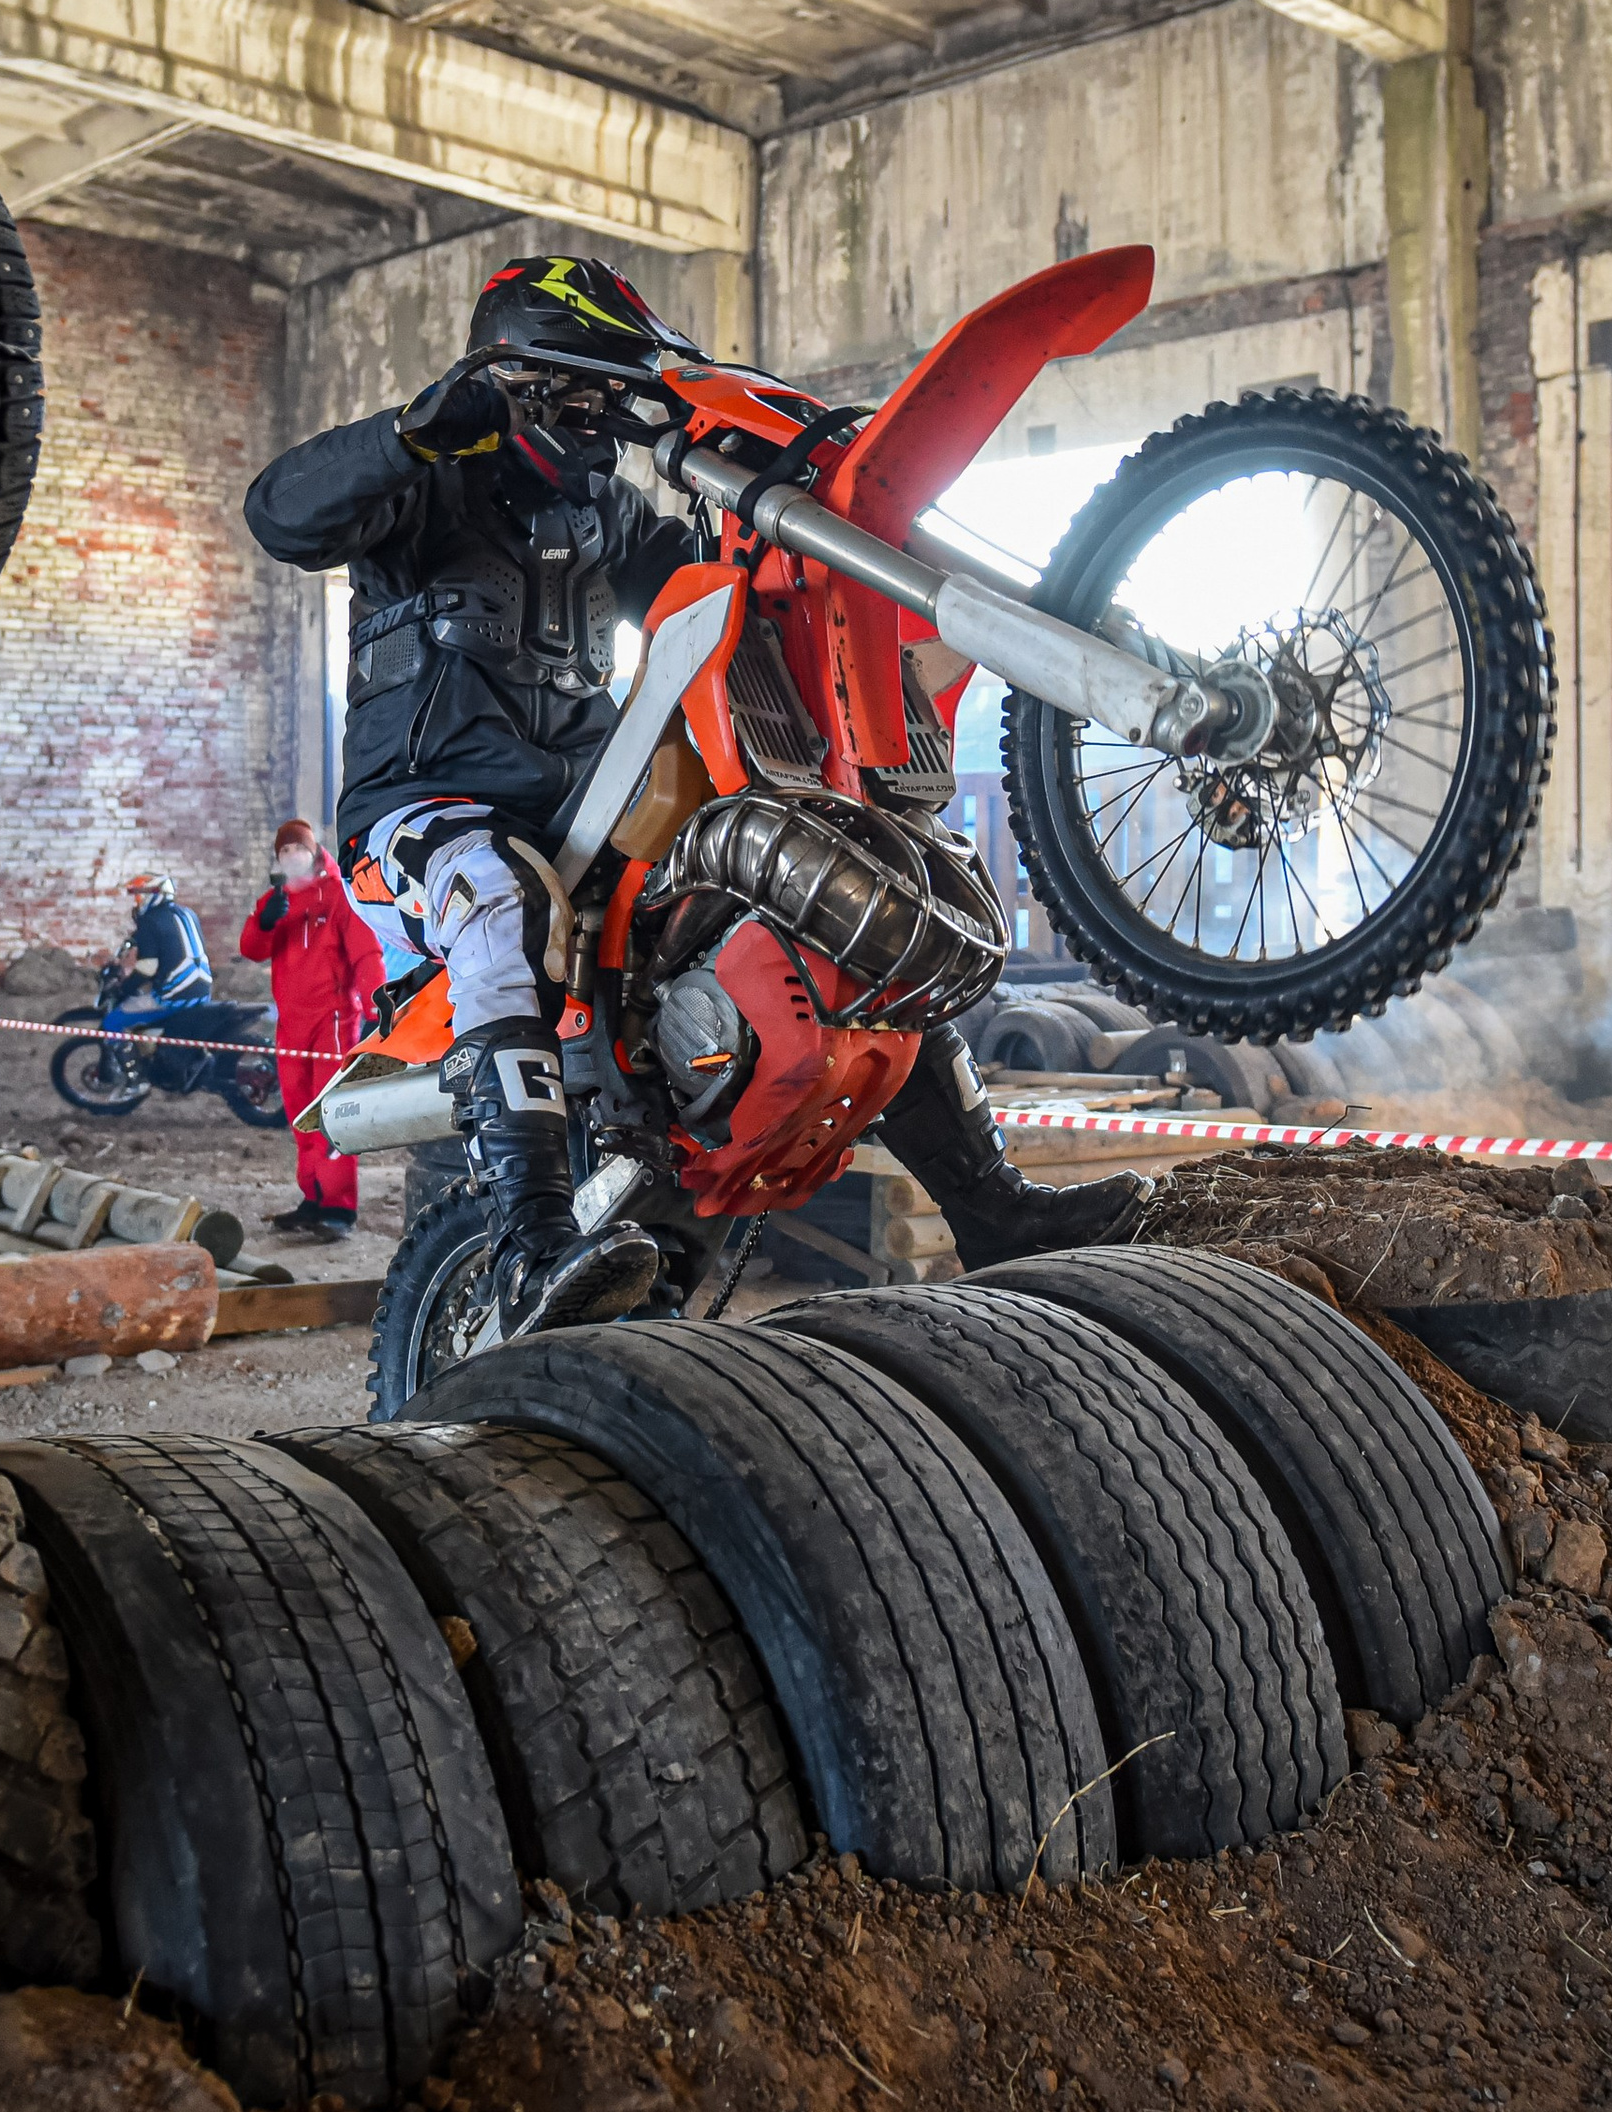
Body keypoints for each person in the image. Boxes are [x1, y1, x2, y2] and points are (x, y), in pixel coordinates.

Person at [243, 253, 1144, 1342]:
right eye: (575, 390)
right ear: (508, 379)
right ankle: (530, 1242)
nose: (595, 416)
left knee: (816, 915)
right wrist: (413, 427)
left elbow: (723, 588)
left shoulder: (603, 515)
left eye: (607, 393)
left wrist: (810, 527)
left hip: (583, 811)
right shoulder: (419, 489)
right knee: (493, 900)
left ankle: (991, 1210)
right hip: (425, 814)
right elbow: (279, 515)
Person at [240, 818, 385, 1240]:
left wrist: (377, 1001)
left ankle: (339, 1208)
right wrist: (264, 921)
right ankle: (314, 1198)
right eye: (284, 852)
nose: (291, 857)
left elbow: (365, 952)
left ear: (314, 852)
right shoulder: (277, 901)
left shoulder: (339, 896)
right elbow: (251, 950)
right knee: (300, 1113)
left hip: (333, 1022)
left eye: (298, 849)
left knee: (333, 1112)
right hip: (291, 1026)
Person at [115, 871, 211, 1009]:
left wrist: (124, 989)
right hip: (203, 994)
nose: (136, 902)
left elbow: (148, 968)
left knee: (114, 1020)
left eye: (138, 896)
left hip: (173, 997)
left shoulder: (149, 921)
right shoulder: (189, 914)